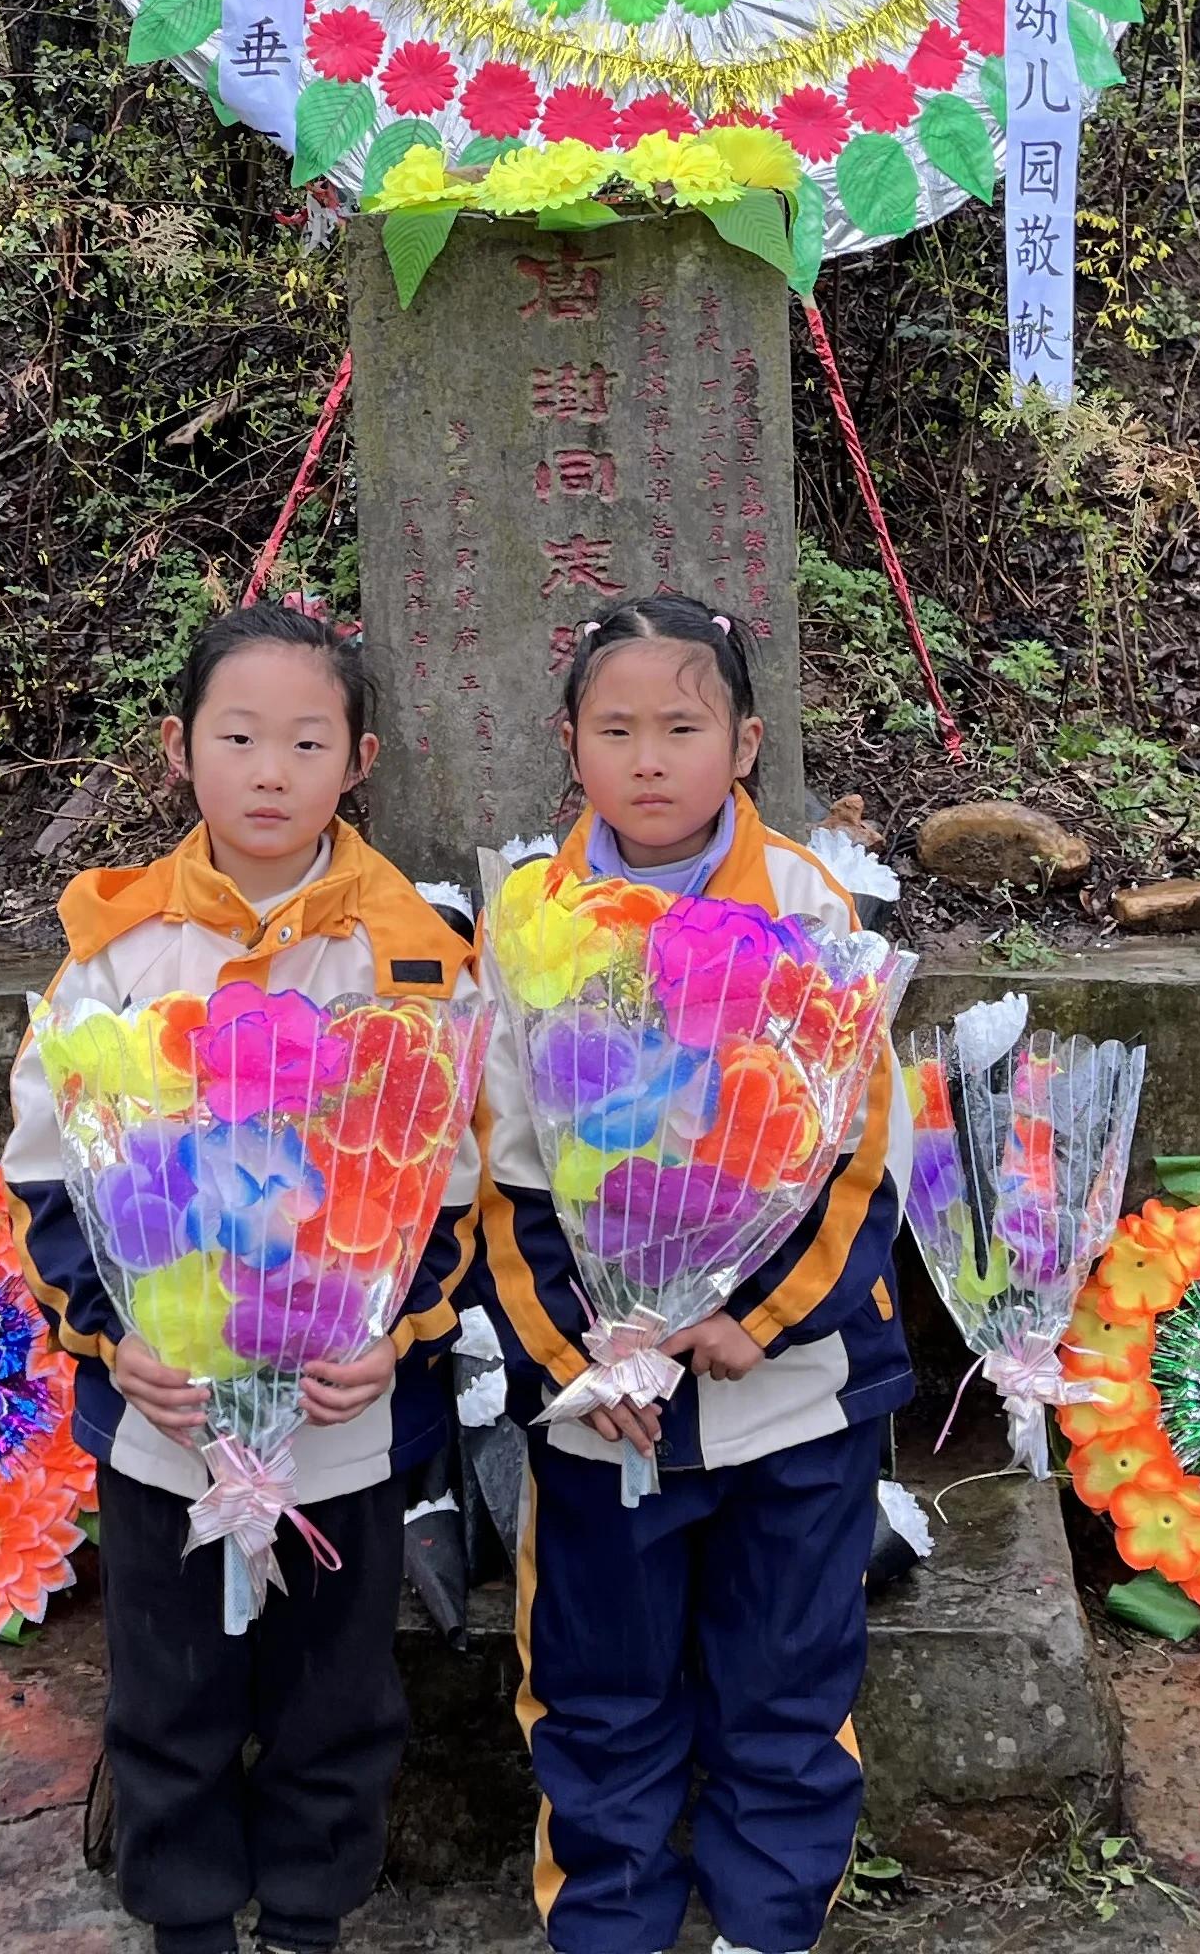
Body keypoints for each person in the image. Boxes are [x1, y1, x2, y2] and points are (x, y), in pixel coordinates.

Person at [6, 599, 482, 1954]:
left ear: (360, 760)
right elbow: (51, 1175)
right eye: (238, 736)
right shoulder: (115, 953)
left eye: (307, 742)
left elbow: (446, 1187)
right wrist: (112, 1345)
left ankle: (311, 1919)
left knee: (340, 1695)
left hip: (341, 1420)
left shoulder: (408, 957)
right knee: (170, 1693)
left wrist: (400, 1338)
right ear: (179, 748)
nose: (270, 772)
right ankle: (191, 1921)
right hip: (166, 1424)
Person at [470, 592, 912, 1954]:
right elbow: (510, 1176)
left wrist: (754, 1317)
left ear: (745, 741)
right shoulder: (529, 920)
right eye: (616, 729)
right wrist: (577, 1358)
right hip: (611, 1414)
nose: (649, 758)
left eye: (682, 725)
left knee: (786, 1682)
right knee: (600, 1691)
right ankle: (606, 1924)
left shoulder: (808, 907)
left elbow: (853, 1160)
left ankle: (766, 1927)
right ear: (571, 745)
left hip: (790, 1398)